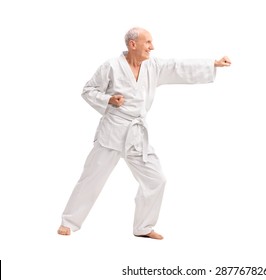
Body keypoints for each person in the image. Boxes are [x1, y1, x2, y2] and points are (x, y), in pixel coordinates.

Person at [57, 27, 231, 240]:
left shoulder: (153, 66)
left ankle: (143, 227)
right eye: (147, 42)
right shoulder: (111, 66)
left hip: (136, 135)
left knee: (156, 179)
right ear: (133, 44)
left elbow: (178, 67)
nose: (152, 46)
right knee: (91, 178)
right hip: (112, 131)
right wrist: (108, 100)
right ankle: (69, 222)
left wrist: (211, 64)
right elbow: (88, 90)